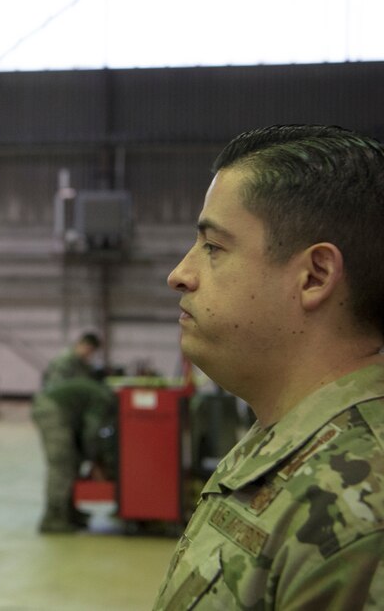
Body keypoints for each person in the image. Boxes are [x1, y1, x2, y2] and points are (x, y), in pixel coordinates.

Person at [154, 124, 384, 609]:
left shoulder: (359, 509)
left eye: (214, 247)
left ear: (314, 276)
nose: (180, 275)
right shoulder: (289, 439)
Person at [31, 376, 117, 534]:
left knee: (74, 461)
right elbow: (92, 431)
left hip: (59, 411)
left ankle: (70, 513)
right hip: (53, 411)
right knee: (62, 465)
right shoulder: (104, 400)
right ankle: (53, 519)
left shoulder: (103, 396)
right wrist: (95, 460)